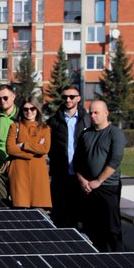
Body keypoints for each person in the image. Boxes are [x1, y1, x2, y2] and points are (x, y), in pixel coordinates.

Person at [74, 100, 125, 252]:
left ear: (106, 113)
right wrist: (83, 180)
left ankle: (118, 260)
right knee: (91, 228)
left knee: (111, 229)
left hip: (108, 187)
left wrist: (99, 180)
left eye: (96, 112)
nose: (93, 116)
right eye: (91, 113)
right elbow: (77, 161)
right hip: (88, 189)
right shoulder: (85, 134)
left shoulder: (115, 133)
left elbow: (115, 160)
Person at [47, 86, 91, 228]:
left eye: (72, 96)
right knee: (60, 215)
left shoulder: (87, 120)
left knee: (82, 215)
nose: (68, 99)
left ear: (78, 98)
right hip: (61, 174)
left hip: (82, 175)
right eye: (65, 97)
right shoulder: (54, 121)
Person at [6, 97, 52, 209]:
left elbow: (45, 148)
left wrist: (23, 145)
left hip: (38, 172)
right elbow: (10, 148)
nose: (29, 112)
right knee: (20, 207)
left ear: (37, 110)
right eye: (25, 109)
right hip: (19, 172)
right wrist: (33, 152)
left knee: (38, 209)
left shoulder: (45, 128)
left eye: (32, 108)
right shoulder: (15, 126)